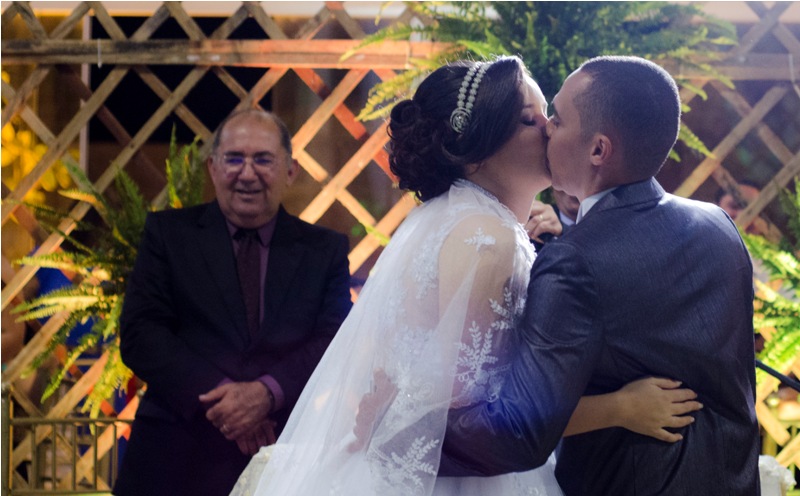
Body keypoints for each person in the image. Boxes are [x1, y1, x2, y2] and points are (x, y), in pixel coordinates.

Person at [231, 56, 700, 496]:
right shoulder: (486, 240)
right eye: (527, 119)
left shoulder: (461, 220)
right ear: (474, 153)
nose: (547, 128)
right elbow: (478, 419)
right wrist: (622, 407)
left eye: (546, 114)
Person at [440, 56, 760, 495]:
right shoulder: (718, 225)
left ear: (598, 150)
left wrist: (407, 432)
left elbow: (522, 430)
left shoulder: (576, 259)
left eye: (557, 117)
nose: (546, 127)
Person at [114, 109, 353, 496]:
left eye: (263, 159)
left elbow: (335, 340)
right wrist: (228, 399)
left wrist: (266, 393)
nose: (247, 173)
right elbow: (142, 334)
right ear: (212, 167)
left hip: (281, 457)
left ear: (290, 171)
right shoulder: (168, 235)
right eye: (234, 159)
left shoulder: (323, 250)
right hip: (172, 458)